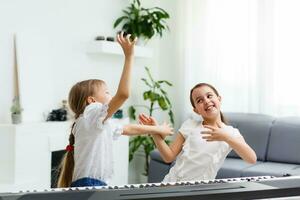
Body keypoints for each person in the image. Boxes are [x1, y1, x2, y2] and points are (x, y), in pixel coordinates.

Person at [57, 33, 174, 188]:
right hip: (91, 183)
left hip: (93, 183)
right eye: (106, 92)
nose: (110, 95)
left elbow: (129, 128)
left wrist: (157, 129)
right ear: (91, 100)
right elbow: (123, 94)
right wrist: (129, 56)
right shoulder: (91, 113)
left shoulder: (95, 123)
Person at [139, 83, 257, 182]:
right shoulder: (189, 125)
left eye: (209, 96)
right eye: (199, 100)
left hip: (198, 190)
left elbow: (251, 159)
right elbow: (168, 157)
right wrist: (154, 130)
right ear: (196, 110)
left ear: (219, 99)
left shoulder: (231, 133)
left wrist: (226, 137)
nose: (206, 101)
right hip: (172, 183)